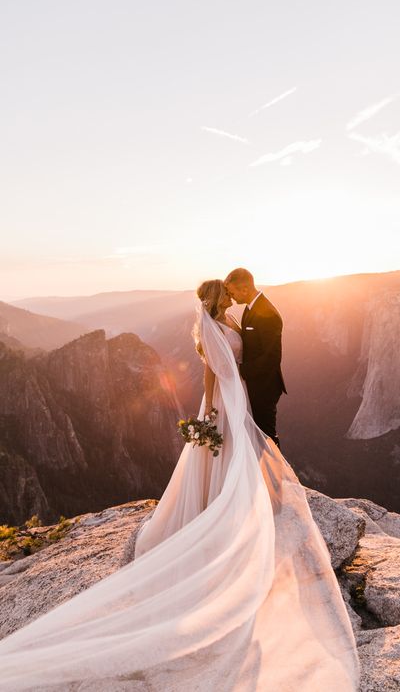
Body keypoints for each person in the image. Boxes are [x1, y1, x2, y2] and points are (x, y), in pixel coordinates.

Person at [0, 279, 360, 691]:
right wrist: (208, 411)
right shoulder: (214, 324)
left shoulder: (231, 317)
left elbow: (251, 358)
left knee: (242, 451)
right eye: (225, 292)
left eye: (231, 290)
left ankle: (237, 498)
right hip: (226, 399)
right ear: (216, 298)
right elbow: (210, 370)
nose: (230, 294)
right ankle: (226, 507)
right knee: (234, 452)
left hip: (239, 396)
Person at [224, 268, 286, 449]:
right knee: (257, 435)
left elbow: (272, 358)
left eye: (232, 292)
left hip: (264, 387)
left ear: (244, 289)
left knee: (266, 436)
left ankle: (276, 475)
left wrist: (241, 371)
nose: (231, 296)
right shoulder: (250, 308)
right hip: (255, 383)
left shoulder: (268, 314)